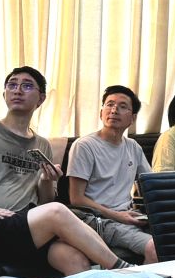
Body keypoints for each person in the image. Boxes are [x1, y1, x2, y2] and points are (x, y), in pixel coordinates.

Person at [0, 66, 131, 277]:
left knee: (75, 260)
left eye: (27, 86)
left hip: (30, 226)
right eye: (12, 85)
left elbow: (45, 201)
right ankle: (123, 270)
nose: (18, 90)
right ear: (4, 94)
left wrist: (46, 180)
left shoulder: (42, 144)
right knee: (57, 211)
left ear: (41, 98)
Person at [66, 85, 156, 264]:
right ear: (101, 113)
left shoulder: (133, 147)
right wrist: (117, 215)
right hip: (96, 219)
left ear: (132, 118)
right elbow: (76, 199)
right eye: (110, 104)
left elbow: (152, 185)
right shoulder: (84, 146)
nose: (114, 110)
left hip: (127, 216)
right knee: (155, 247)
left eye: (122, 106)